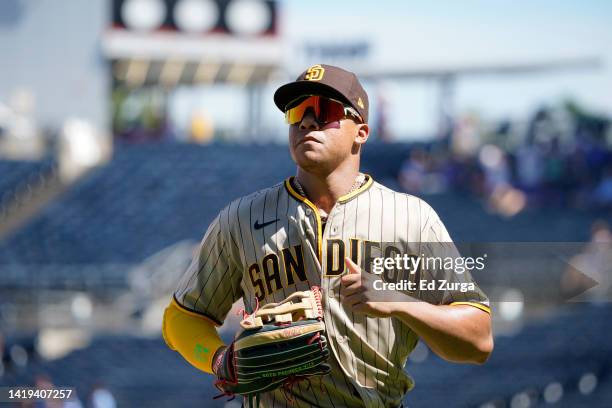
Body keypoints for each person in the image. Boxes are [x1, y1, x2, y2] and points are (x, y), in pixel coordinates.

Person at [162, 64, 493, 407]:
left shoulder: (412, 219)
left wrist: (398, 303)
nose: (307, 121)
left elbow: (478, 340)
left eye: (325, 111)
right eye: (297, 111)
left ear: (361, 132)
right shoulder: (241, 219)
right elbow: (182, 317)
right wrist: (219, 359)